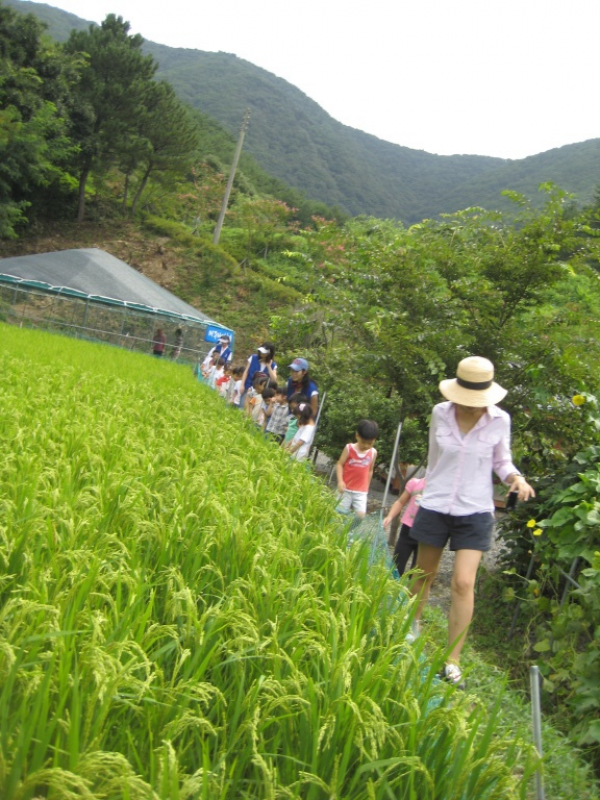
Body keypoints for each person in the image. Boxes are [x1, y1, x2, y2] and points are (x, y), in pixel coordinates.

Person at [409, 356, 535, 688]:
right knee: (423, 574)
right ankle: (410, 629)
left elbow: (502, 460)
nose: (468, 406)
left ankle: (452, 663)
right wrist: (426, 492)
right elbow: (435, 459)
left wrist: (516, 478)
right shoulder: (440, 413)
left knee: (463, 583)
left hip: (476, 510)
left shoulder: (500, 420)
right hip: (436, 504)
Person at [383, 468, 426, 575]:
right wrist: (390, 516)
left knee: (417, 571)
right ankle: (392, 588)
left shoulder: (441, 492)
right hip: (408, 530)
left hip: (426, 535)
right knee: (397, 566)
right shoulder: (415, 483)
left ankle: (411, 591)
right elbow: (400, 502)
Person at [335, 420, 379, 518]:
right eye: (363, 442)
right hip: (345, 489)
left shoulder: (373, 453)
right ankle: (338, 532)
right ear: (357, 436)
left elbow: (370, 470)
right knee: (339, 514)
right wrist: (340, 481)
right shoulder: (349, 448)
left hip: (361, 491)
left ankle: (348, 531)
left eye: (370, 443)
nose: (366, 446)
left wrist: (366, 485)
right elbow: (340, 464)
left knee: (360, 516)